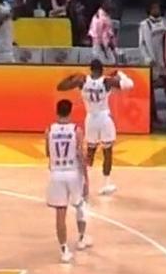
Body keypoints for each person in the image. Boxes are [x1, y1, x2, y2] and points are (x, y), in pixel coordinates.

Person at [56, 60, 134, 196]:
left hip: (90, 118)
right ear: (102, 70)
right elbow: (129, 84)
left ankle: (81, 182)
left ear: (90, 69)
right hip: (104, 118)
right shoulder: (106, 81)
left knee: (90, 152)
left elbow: (60, 87)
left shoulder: (82, 80)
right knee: (107, 151)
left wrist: (73, 76)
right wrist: (120, 73)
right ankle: (106, 183)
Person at [46, 99, 91, 263]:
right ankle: (81, 238)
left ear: (56, 111)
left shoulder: (49, 130)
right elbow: (81, 155)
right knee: (80, 204)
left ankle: (64, 250)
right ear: (70, 111)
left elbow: (47, 152)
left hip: (56, 173)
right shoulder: (76, 130)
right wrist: (86, 178)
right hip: (73, 172)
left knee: (60, 212)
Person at [137, 2, 166, 126]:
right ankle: (152, 116)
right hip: (152, 62)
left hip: (164, 61)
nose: (156, 10)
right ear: (149, 10)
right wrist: (147, 59)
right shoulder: (144, 24)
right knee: (150, 93)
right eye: (154, 8)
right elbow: (142, 44)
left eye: (158, 8)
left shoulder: (164, 22)